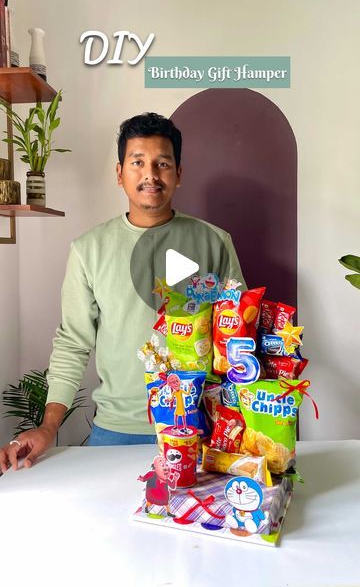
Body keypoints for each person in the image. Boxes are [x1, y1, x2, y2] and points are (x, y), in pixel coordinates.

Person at [0, 112, 246, 473]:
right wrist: (49, 425)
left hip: (202, 430)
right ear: (120, 174)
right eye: (138, 162)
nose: (150, 174)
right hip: (116, 433)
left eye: (163, 163)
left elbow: (238, 334)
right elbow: (73, 342)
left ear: (179, 173)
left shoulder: (214, 242)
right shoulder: (89, 249)